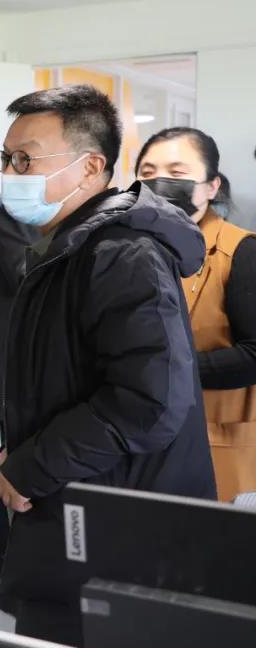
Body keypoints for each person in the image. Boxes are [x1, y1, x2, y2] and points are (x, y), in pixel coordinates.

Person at [0, 85, 216, 645]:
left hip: (118, 521)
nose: (11, 174)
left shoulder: (122, 254)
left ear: (91, 166)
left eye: (25, 160)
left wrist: (31, 463)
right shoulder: (68, 248)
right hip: (78, 496)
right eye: (6, 158)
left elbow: (149, 403)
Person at [137, 127, 256, 502]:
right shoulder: (130, 250)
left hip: (219, 443)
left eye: (177, 173)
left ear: (211, 186)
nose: (159, 183)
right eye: (147, 173)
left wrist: (163, 371)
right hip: (144, 441)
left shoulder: (240, 252)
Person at [0, 198, 37, 613]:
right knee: (16, 476)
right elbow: (28, 274)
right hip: (20, 379)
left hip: (49, 377)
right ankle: (13, 581)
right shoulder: (17, 209)